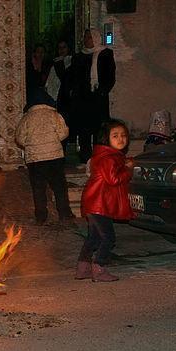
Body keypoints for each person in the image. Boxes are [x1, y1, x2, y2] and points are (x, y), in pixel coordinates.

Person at [75, 119, 134, 282]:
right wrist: (128, 170)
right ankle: (99, 268)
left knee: (93, 237)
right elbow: (114, 180)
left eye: (123, 135)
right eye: (115, 136)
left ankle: (83, 268)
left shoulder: (108, 156)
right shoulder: (108, 158)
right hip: (99, 203)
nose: (121, 139)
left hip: (96, 202)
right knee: (108, 238)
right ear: (106, 139)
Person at [15, 87, 75, 226]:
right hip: (54, 157)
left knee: (38, 188)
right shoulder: (54, 115)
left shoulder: (26, 118)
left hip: (35, 160)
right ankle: (64, 213)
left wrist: (30, 145)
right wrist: (54, 140)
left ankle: (41, 216)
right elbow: (64, 133)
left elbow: (19, 138)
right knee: (59, 187)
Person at [70, 29, 116, 164]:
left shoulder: (105, 54)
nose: (86, 40)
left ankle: (99, 156)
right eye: (85, 37)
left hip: (98, 97)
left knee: (99, 128)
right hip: (83, 98)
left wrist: (102, 91)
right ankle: (85, 158)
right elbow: (75, 77)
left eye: (89, 37)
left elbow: (110, 76)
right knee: (84, 129)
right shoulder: (79, 57)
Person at [45, 39, 74, 146]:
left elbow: (66, 79)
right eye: (59, 48)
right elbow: (49, 82)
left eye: (64, 47)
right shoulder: (54, 63)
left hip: (66, 100)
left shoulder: (71, 62)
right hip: (54, 99)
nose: (61, 50)